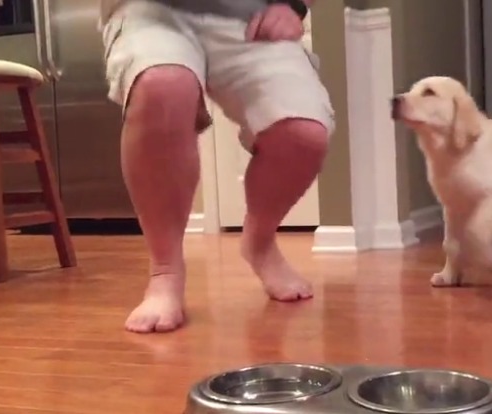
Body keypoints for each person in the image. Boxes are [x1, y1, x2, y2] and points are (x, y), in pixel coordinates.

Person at [99, 0, 333, 333]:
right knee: (162, 86)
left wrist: (294, 5)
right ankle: (165, 270)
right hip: (149, 11)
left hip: (251, 12)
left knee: (302, 134)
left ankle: (260, 243)